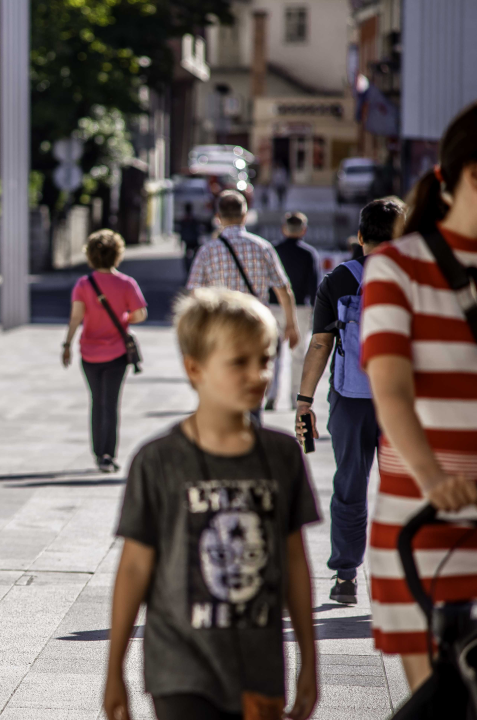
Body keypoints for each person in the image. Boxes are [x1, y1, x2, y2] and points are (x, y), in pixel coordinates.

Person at [360, 97, 477, 690]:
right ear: (475, 174)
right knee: (447, 700)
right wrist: (434, 479)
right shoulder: (399, 268)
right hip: (431, 524)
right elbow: (392, 390)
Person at [104, 287, 319, 720]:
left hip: (260, 671)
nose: (258, 375)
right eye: (239, 362)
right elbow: (134, 567)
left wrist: (310, 662)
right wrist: (114, 670)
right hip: (179, 670)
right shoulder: (158, 460)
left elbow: (294, 560)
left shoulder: (282, 456)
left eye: (265, 360)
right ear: (194, 368)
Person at [295, 198, 405, 606]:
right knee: (403, 488)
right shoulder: (417, 277)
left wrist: (304, 401)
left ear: (360, 237)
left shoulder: (339, 279)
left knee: (350, 483)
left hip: (351, 396)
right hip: (403, 401)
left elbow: (321, 343)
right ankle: (400, 577)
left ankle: (345, 577)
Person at [187, 190, 301, 419]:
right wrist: (290, 324)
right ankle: (253, 435)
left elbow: (194, 295)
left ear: (218, 216)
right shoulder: (262, 247)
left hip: (220, 330)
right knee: (253, 388)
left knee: (223, 386)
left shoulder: (207, 250)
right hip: (256, 328)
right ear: (245, 215)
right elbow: (283, 289)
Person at [62, 230, 147, 473]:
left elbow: (76, 317)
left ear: (90, 255)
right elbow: (140, 315)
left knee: (96, 402)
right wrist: (124, 317)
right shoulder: (127, 283)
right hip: (117, 353)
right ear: (117, 254)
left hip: (89, 353)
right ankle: (108, 455)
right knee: (111, 403)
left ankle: (98, 451)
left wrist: (67, 345)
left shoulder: (84, 284)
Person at [265, 212, 320, 411]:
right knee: (298, 356)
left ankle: (271, 395)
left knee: (273, 353)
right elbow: (315, 286)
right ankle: (294, 397)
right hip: (300, 308)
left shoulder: (274, 250)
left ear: (284, 228)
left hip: (274, 306)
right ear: (303, 230)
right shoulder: (309, 254)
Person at [179, 203, 202, 277]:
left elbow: (181, 231)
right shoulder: (193, 219)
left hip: (187, 240)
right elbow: (197, 230)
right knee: (195, 256)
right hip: (194, 240)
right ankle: (193, 269)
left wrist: (181, 240)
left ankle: (189, 270)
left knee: (188, 256)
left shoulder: (184, 219)